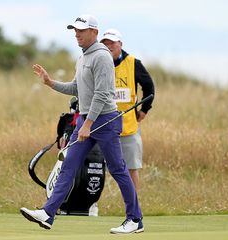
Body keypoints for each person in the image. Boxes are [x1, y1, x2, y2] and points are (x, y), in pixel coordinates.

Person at [20, 14, 144, 234]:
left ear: (94, 32)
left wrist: (87, 124)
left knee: (117, 169)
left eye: (81, 30)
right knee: (68, 165)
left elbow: (102, 94)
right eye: (74, 30)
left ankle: (135, 219)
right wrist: (50, 83)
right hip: (87, 120)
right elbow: (77, 88)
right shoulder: (83, 57)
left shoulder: (102, 57)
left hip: (103, 121)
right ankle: (48, 213)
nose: (76, 34)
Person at [100, 29, 155, 192]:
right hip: (101, 124)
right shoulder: (98, 62)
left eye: (112, 43)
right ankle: (91, 203)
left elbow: (149, 87)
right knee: (97, 166)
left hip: (128, 126)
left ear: (120, 44)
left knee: (131, 168)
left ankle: (133, 206)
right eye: (105, 43)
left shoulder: (133, 63)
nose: (109, 46)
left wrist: (144, 110)